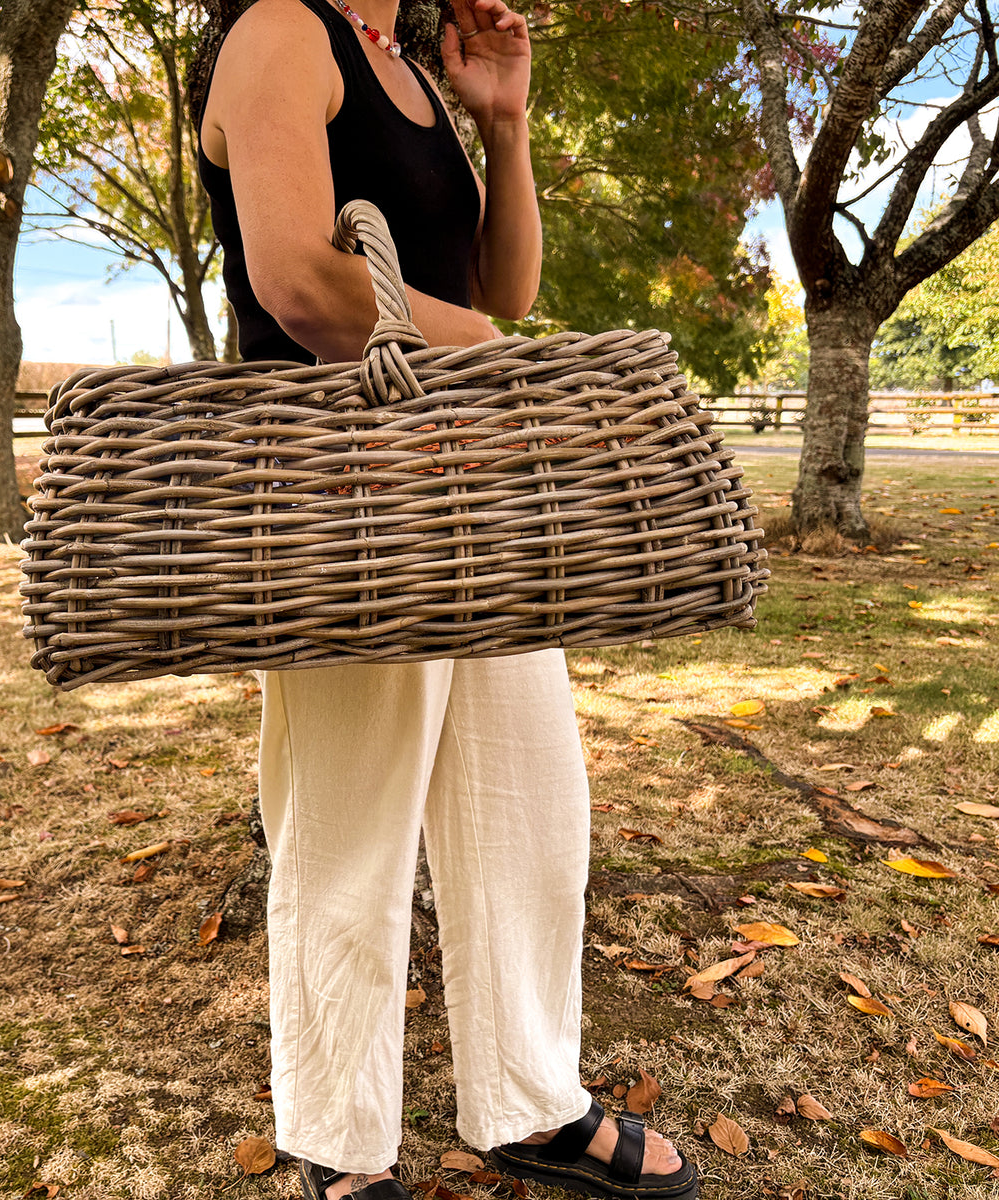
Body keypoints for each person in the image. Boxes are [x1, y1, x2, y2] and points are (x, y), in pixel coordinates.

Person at [195, 2, 700, 1197]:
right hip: (344, 499)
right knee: (348, 827)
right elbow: (300, 284)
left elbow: (507, 292)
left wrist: (507, 124)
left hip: (469, 492)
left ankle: (527, 1101)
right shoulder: (280, 29)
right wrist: (494, 355)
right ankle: (338, 1141)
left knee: (531, 809)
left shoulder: (406, 68)